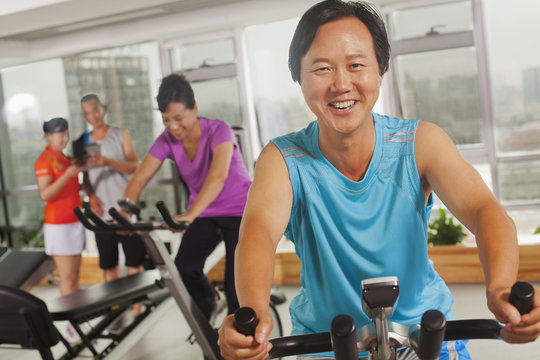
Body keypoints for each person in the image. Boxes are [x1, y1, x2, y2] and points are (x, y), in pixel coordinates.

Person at [217, 1, 540, 359]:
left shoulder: (420, 142)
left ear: (380, 70)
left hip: (424, 332)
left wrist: (500, 287)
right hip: (326, 340)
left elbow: (484, 210)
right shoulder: (282, 158)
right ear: (299, 76)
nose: (342, 84)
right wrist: (254, 311)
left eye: (356, 65)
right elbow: (257, 232)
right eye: (322, 68)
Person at [122, 73, 252, 320]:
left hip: (239, 211)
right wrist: (125, 210)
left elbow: (218, 176)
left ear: (195, 109)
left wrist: (190, 215)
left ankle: (239, 347)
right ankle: (210, 306)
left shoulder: (220, 130)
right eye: (166, 119)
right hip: (204, 213)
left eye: (178, 118)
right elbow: (139, 178)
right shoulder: (167, 140)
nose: (172, 126)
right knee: (184, 269)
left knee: (237, 286)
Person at [79, 94, 146, 317]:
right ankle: (117, 310)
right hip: (101, 213)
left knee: (134, 263)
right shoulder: (83, 142)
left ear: (103, 109)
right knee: (109, 266)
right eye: (87, 113)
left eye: (95, 110)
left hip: (125, 209)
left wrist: (107, 162)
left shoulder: (119, 134)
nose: (93, 116)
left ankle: (138, 309)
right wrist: (90, 196)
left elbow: (134, 165)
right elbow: (86, 178)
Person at [35, 117, 86, 341]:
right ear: (48, 136)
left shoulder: (65, 158)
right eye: (59, 134)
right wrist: (67, 175)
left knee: (75, 277)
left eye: (65, 133)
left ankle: (76, 324)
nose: (64, 138)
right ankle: (72, 326)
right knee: (66, 278)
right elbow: (45, 194)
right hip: (59, 225)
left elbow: (71, 189)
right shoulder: (45, 161)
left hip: (75, 221)